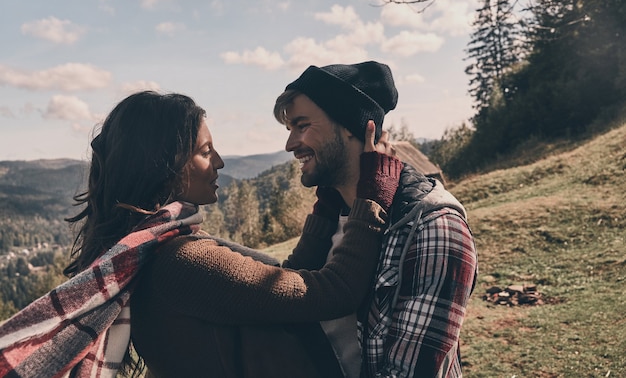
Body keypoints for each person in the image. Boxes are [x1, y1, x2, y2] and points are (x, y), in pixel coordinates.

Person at [0, 91, 403, 378]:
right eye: (206, 151)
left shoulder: (148, 250)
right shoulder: (181, 261)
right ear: (164, 164)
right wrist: (372, 197)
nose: (221, 162)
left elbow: (281, 283)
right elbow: (330, 292)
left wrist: (327, 204)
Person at [273, 61, 479, 377]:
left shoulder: (432, 229)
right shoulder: (332, 215)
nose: (290, 145)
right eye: (290, 130)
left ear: (354, 126)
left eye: (302, 125)